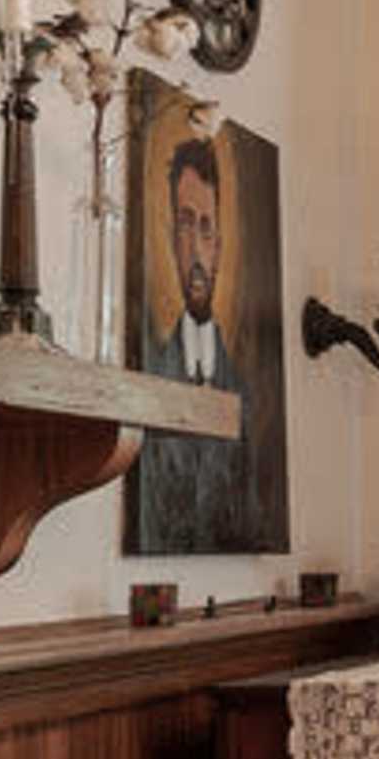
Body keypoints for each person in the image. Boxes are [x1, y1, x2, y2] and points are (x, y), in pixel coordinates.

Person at [132, 127, 288, 551]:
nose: (197, 254)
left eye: (205, 229)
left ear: (219, 246)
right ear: (169, 239)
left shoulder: (242, 390)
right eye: (185, 225)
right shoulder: (151, 372)